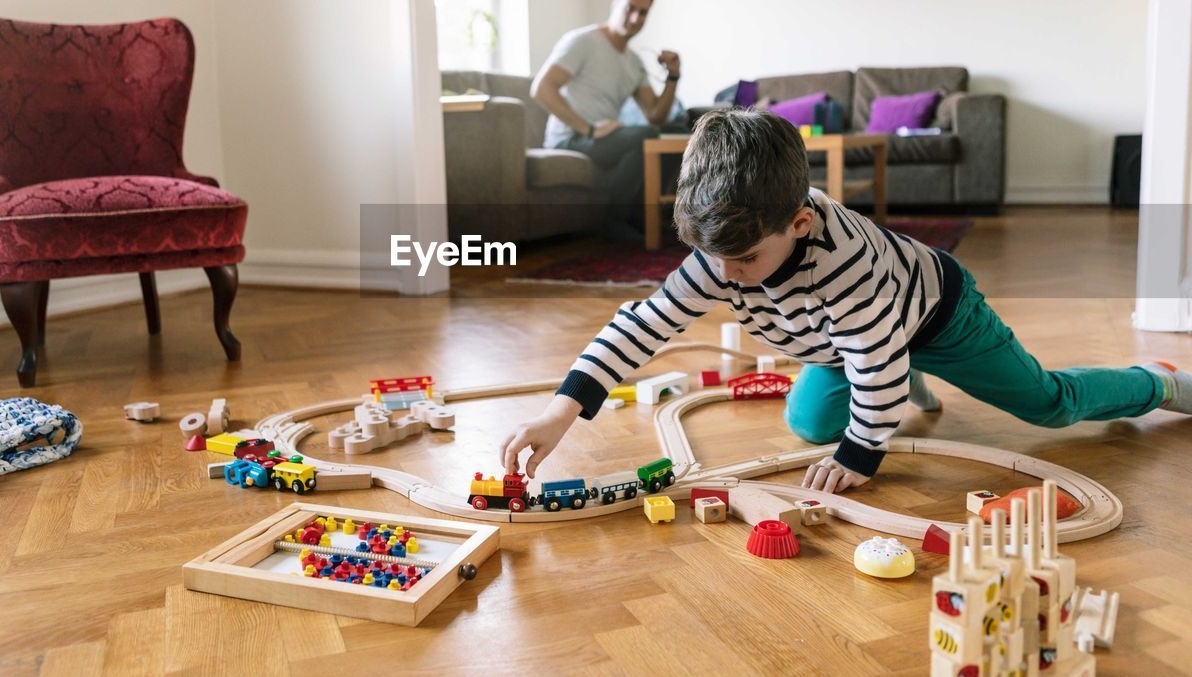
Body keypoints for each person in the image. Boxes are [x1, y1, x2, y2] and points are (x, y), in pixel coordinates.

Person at [498, 109, 1188, 493]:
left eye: (744, 261)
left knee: (1046, 403)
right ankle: (899, 378)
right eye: (716, 261)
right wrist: (561, 411)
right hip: (845, 340)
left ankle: (1156, 383)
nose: (728, 278)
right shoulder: (725, 248)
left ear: (798, 223)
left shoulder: (846, 262)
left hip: (937, 311)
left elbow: (873, 363)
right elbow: (640, 326)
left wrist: (863, 454)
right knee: (809, 421)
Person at [531, 0, 681, 215]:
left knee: (669, 138)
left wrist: (673, 77)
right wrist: (588, 129)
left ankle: (649, 218)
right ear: (614, 4)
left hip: (606, 139)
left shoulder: (634, 62)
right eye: (629, 8)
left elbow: (655, 116)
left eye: (643, 13)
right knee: (648, 137)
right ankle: (614, 218)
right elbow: (541, 89)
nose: (635, 18)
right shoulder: (583, 41)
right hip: (571, 138)